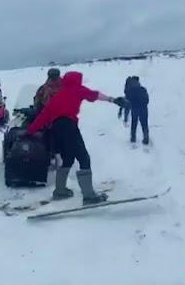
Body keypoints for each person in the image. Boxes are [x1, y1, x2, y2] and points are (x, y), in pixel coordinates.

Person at [27, 71, 128, 205]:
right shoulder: (77, 89)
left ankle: (60, 191)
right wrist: (113, 99)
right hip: (69, 126)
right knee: (84, 158)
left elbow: (43, 116)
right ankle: (89, 196)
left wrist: (30, 131)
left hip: (57, 129)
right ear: (77, 80)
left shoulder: (58, 95)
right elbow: (94, 95)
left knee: (68, 158)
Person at [33, 68, 63, 167]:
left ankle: (51, 155)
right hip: (64, 118)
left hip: (50, 119)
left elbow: (37, 104)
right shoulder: (65, 87)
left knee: (46, 136)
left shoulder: (43, 89)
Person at [125, 76, 150, 144]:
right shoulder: (143, 89)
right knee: (144, 123)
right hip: (144, 108)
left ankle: (133, 138)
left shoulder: (129, 90)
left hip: (134, 108)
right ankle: (146, 138)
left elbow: (127, 102)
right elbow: (147, 100)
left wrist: (126, 116)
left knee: (134, 122)